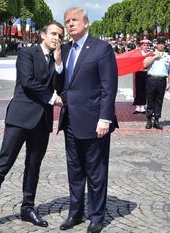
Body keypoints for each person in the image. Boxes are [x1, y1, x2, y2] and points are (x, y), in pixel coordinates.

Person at [0, 21, 64, 233]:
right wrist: (52, 97)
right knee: (3, 164)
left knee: (33, 167)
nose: (57, 38)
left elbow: (61, 85)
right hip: (20, 117)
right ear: (43, 35)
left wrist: (59, 63)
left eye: (60, 36)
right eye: (53, 34)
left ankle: (28, 208)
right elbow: (27, 81)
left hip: (42, 121)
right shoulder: (27, 53)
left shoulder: (57, 58)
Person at [57, 7, 118, 233]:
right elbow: (62, 83)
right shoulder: (64, 50)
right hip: (70, 121)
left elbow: (108, 87)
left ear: (86, 23)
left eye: (74, 20)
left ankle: (96, 216)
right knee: (74, 170)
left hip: (95, 122)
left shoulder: (102, 49)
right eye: (67, 21)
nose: (70, 24)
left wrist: (105, 118)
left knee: (96, 171)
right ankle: (76, 213)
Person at [143, 36, 170, 130]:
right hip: (151, 79)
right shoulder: (151, 54)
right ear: (156, 45)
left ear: (165, 44)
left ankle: (156, 120)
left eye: (162, 43)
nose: (160, 45)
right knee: (150, 99)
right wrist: (154, 58)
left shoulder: (168, 57)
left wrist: (169, 83)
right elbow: (145, 65)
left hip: (162, 80)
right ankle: (149, 120)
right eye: (159, 43)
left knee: (159, 100)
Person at [132, 39, 151, 114]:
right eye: (144, 45)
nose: (145, 47)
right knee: (138, 89)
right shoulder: (138, 53)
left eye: (147, 45)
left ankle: (142, 107)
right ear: (141, 46)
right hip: (138, 72)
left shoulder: (150, 54)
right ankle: (137, 107)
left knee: (144, 89)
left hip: (146, 73)